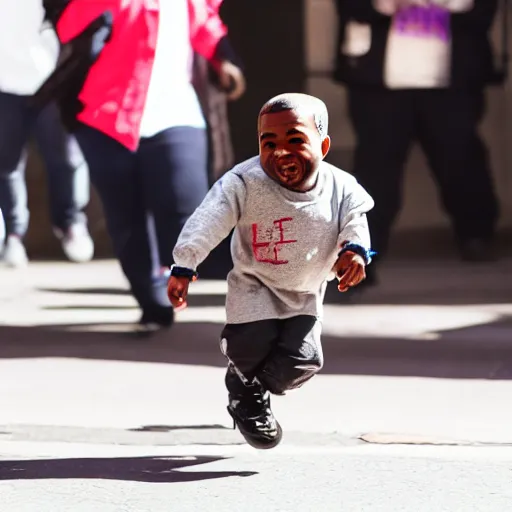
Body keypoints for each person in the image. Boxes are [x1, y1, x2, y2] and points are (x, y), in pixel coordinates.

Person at [166, 93, 374, 449]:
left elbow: (355, 221)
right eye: (269, 142)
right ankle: (245, 388)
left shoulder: (341, 186)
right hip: (255, 284)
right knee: (251, 345)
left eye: (295, 140)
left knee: (303, 360)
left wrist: (355, 252)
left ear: (322, 145)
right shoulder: (244, 182)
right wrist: (185, 263)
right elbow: (208, 221)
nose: (281, 153)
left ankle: (248, 389)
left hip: (305, 291)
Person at [42, 0, 246, 333]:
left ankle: (175, 277)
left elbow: (203, 23)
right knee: (126, 217)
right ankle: (151, 301)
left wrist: (224, 59)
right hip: (107, 115)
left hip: (176, 113)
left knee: (186, 203)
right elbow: (69, 25)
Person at [334, 0, 500, 283]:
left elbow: (483, 11)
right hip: (380, 81)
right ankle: (363, 251)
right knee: (376, 168)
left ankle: (476, 235)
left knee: (460, 159)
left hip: (451, 79)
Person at [0, 3, 94, 268]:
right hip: (5, 85)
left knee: (66, 157)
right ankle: (14, 235)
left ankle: (71, 222)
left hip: (51, 79)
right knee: (6, 164)